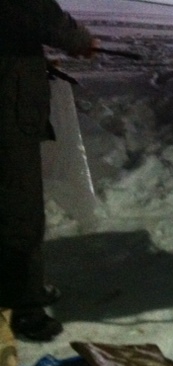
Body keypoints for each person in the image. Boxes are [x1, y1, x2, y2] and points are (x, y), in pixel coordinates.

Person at [0, 0, 97, 340]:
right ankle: (23, 305)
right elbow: (35, 11)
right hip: (7, 112)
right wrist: (80, 39)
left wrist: (31, 61)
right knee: (18, 208)